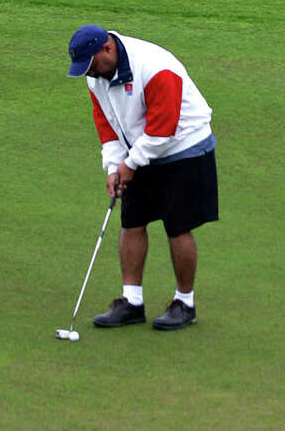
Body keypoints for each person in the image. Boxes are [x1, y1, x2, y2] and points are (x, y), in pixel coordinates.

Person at [66, 23, 218, 331]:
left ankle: (184, 303)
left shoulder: (156, 68)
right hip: (139, 148)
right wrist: (113, 167)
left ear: (107, 49)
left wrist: (130, 164)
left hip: (184, 146)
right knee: (132, 221)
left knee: (178, 227)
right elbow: (107, 126)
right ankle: (131, 301)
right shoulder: (95, 77)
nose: (89, 74)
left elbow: (163, 129)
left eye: (92, 66)